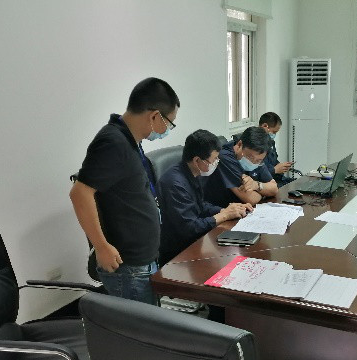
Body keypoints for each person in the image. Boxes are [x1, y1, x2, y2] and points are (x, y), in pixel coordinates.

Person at [69, 77, 179, 305]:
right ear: (154, 116)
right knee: (140, 325)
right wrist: (101, 246)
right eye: (170, 123)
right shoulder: (113, 142)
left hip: (141, 260)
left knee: (149, 319)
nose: (168, 130)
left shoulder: (130, 141)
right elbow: (80, 193)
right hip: (127, 266)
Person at [158, 130, 253, 266]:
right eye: (214, 160)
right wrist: (224, 215)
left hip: (195, 243)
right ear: (197, 160)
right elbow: (189, 228)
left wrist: (228, 210)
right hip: (178, 256)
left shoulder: (193, 172)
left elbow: (200, 205)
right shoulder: (174, 184)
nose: (216, 162)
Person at [203, 126, 278, 208]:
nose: (253, 162)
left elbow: (274, 188)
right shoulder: (224, 157)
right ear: (239, 145)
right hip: (221, 210)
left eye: (258, 160)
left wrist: (256, 185)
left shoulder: (257, 158)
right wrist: (263, 193)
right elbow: (251, 199)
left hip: (242, 209)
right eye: (250, 157)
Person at [259, 112, 293, 186]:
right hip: (267, 183)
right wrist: (274, 170)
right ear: (264, 126)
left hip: (277, 179)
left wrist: (282, 166)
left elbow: (273, 161)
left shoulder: (271, 142)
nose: (274, 135)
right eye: (274, 132)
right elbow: (256, 173)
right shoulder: (255, 145)